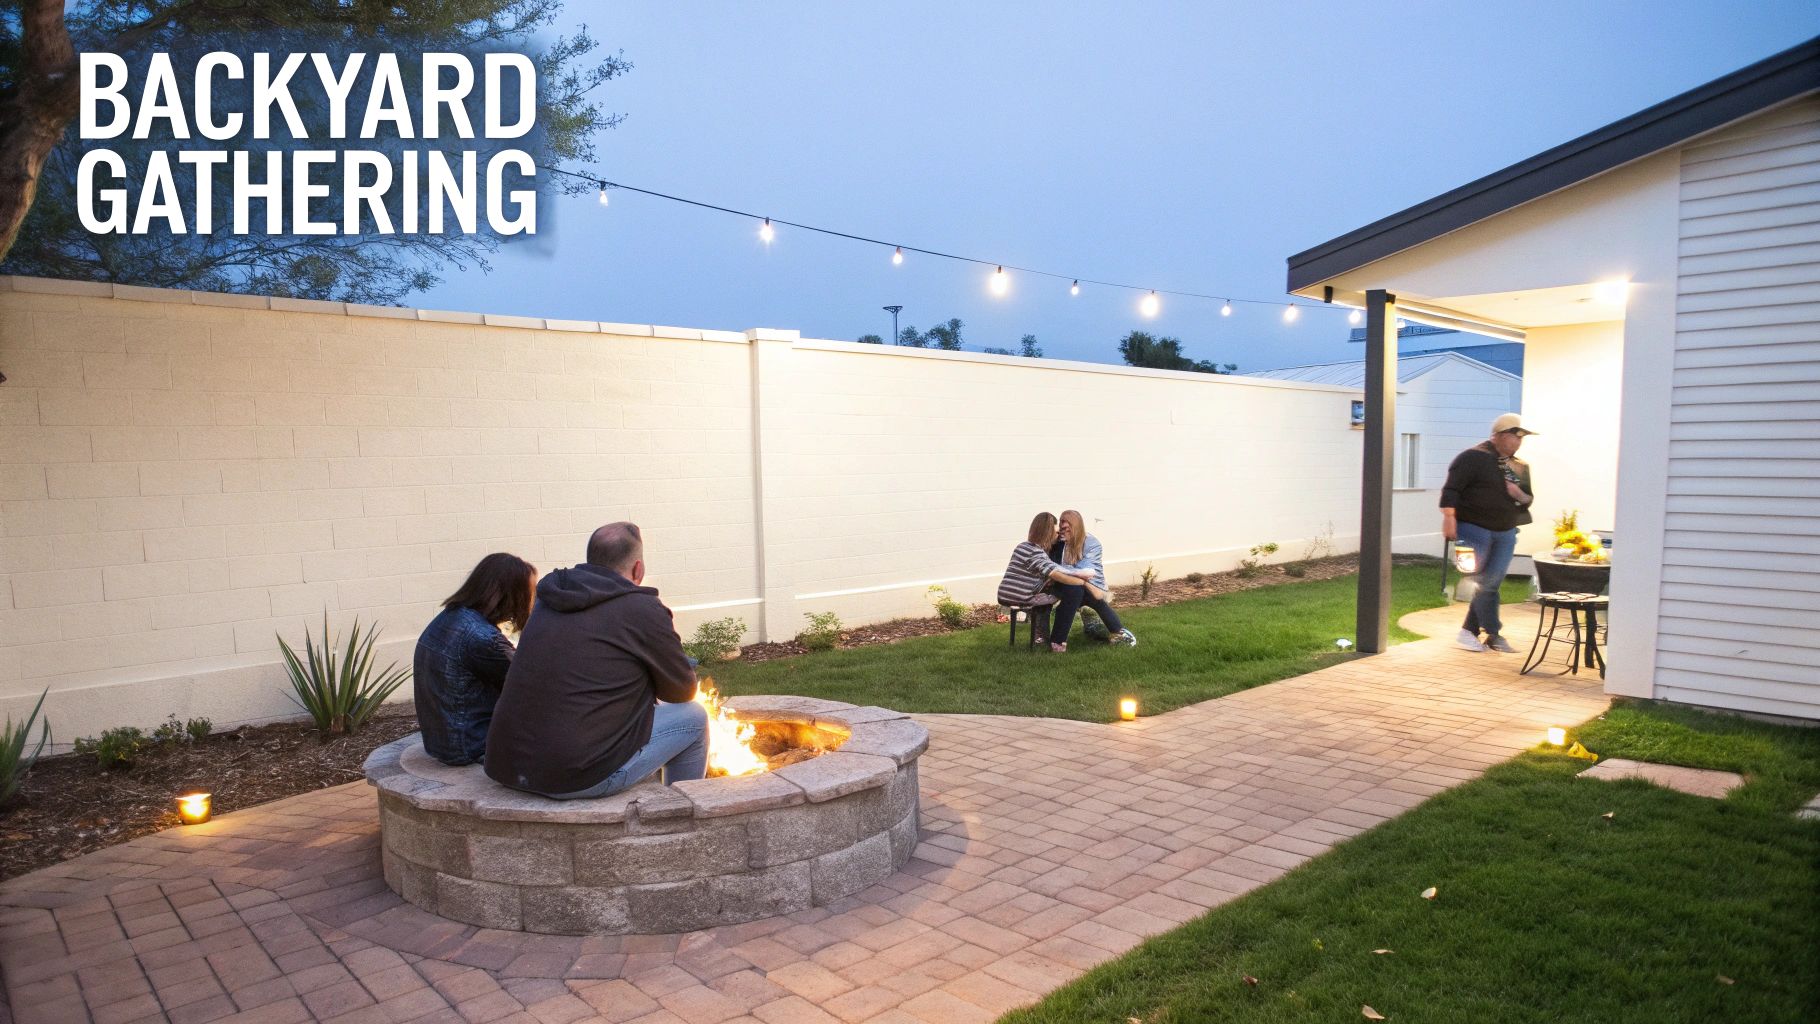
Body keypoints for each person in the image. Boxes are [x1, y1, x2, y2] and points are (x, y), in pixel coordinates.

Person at [484, 522, 707, 799]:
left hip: (506, 765)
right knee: (694, 718)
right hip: (573, 776)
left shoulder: (550, 597)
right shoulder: (642, 609)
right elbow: (681, 692)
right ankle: (682, 814)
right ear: (639, 569)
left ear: (591, 561)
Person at [413, 553, 537, 766]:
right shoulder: (481, 638)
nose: (531, 600)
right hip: (470, 745)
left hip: (443, 741)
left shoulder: (452, 617)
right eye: (529, 593)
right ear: (512, 594)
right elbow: (530, 683)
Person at [1441, 413, 1537, 653]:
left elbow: (1528, 499)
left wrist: (1519, 494)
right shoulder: (1472, 457)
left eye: (1522, 437)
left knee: (1490, 583)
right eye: (1516, 436)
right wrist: (1449, 518)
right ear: (1500, 435)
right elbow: (1451, 489)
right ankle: (1493, 633)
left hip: (1506, 531)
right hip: (1473, 528)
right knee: (1479, 580)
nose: (1519, 441)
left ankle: (1469, 632)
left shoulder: (1519, 466)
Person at [997, 512, 1096, 643]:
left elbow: (1046, 569)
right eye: (1056, 532)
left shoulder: (1022, 546)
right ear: (1048, 533)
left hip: (1004, 594)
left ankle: (1041, 636)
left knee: (1051, 592)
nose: (1058, 535)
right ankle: (1055, 639)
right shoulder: (1037, 552)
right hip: (1022, 597)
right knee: (1063, 594)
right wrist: (1082, 581)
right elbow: (1056, 573)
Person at [1046, 509, 1137, 651]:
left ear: (1076, 526)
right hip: (1063, 583)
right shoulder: (1058, 543)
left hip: (1089, 584)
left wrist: (1073, 575)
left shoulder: (1092, 543)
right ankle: (1118, 631)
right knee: (1078, 590)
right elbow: (1052, 567)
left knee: (1077, 590)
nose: (1063, 531)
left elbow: (1087, 571)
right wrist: (1075, 577)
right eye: (1062, 527)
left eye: (1067, 527)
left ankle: (1058, 642)